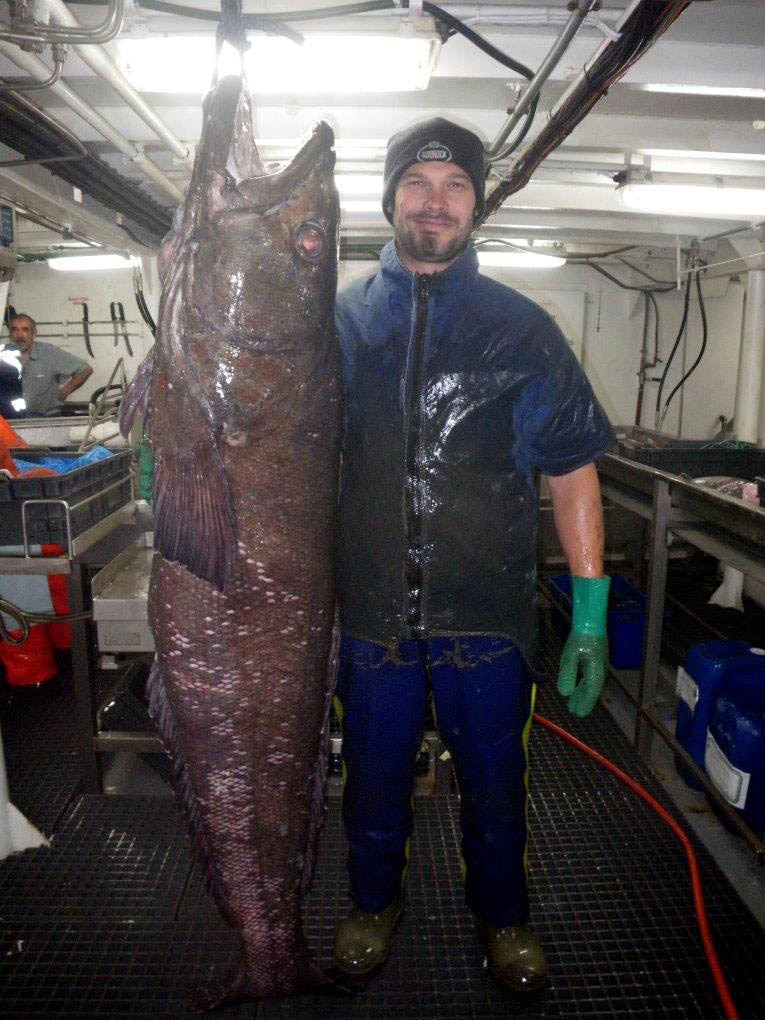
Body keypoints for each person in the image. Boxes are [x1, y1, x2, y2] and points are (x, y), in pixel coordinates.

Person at [332, 117, 615, 993]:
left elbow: (572, 473)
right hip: (372, 615)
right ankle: (373, 905)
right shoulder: (335, 323)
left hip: (485, 619)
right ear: (389, 198)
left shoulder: (522, 331)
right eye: (417, 183)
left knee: (496, 788)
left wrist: (591, 617)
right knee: (372, 784)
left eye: (455, 186)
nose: (434, 201)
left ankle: (503, 917)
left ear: (476, 205)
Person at [8, 313, 93, 416]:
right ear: (10, 334)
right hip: (13, 419)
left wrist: (64, 393)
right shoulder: (3, 355)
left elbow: (85, 370)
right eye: (15, 329)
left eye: (25, 329)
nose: (19, 335)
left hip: (47, 418)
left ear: (34, 334)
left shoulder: (50, 353)